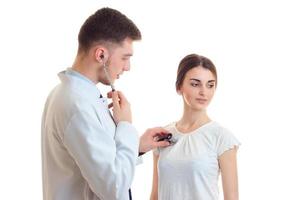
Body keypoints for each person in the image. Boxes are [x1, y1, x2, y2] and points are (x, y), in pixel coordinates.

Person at [41, 7, 170, 200]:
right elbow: (114, 187)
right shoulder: (78, 104)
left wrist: (137, 146)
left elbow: (97, 163)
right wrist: (126, 126)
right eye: (125, 58)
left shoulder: (72, 95)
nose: (128, 67)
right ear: (101, 55)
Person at [150, 54, 241, 200]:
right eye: (195, 84)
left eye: (210, 85)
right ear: (179, 87)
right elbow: (155, 195)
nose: (203, 92)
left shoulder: (222, 138)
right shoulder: (163, 135)